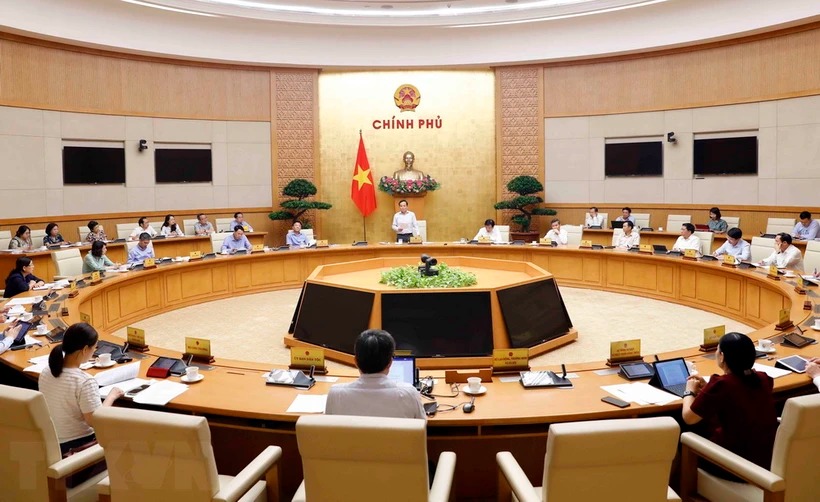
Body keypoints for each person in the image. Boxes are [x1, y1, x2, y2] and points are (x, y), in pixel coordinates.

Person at [682, 332, 777, 479]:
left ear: (722, 356)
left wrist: (689, 391)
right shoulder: (764, 378)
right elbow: (740, 399)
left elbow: (689, 417)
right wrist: (707, 389)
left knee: (680, 432)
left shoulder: (721, 384)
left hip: (733, 464)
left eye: (717, 350)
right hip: (765, 460)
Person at [38, 323, 124, 454]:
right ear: (85, 349)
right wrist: (112, 396)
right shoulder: (84, 381)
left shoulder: (46, 371)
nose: (94, 352)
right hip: (77, 446)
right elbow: (96, 421)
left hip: (51, 441)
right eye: (94, 348)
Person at [325, 329, 425, 419]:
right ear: (390, 363)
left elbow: (329, 429)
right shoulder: (410, 393)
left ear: (355, 362)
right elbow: (422, 427)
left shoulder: (335, 394)